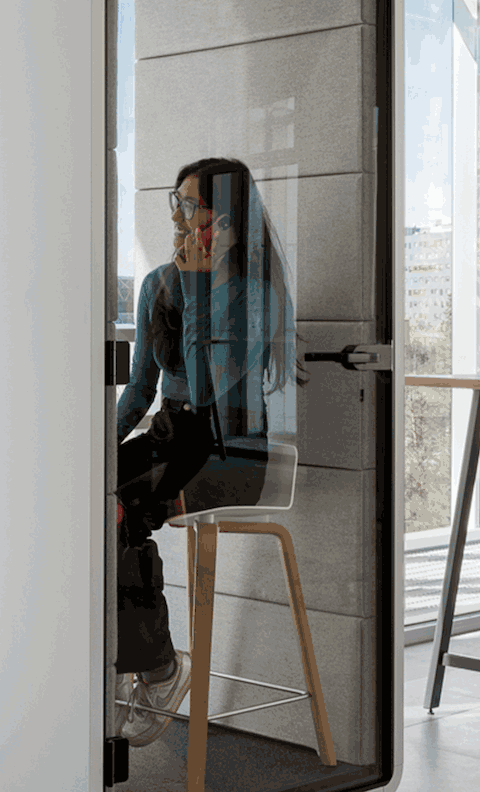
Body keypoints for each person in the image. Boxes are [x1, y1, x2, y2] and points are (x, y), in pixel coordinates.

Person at [110, 157, 296, 746]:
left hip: (226, 447)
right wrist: (95, 451)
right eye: (178, 202)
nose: (181, 218)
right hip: (172, 433)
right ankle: (128, 662)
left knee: (116, 514)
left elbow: (209, 388)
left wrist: (196, 288)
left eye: (195, 208)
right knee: (81, 498)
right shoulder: (157, 284)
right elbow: (141, 388)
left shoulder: (253, 293)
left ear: (232, 223)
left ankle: (159, 669)